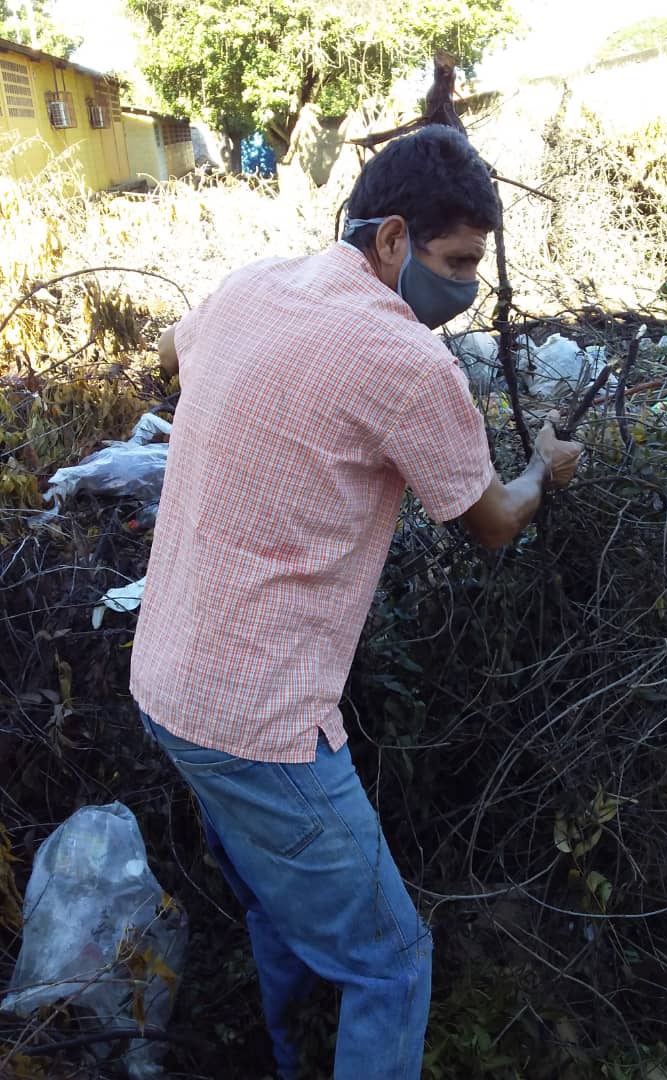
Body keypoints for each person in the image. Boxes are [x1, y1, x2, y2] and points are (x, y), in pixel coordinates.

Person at [131, 125, 582, 1079]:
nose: (464, 294)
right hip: (257, 722)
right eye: (456, 264)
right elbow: (493, 522)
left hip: (166, 681)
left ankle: (290, 1056)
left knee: (277, 904)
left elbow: (175, 352)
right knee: (391, 964)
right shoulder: (408, 361)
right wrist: (546, 466)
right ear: (388, 240)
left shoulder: (252, 284)